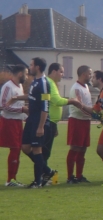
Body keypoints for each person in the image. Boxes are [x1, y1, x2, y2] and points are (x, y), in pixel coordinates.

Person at [21, 57, 56, 188]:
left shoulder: (43, 83)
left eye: (31, 65)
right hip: (31, 119)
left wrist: (41, 126)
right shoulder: (34, 81)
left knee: (36, 149)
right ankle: (47, 171)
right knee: (25, 147)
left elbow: (45, 106)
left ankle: (38, 182)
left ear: (38, 67)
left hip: (39, 121)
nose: (30, 67)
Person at [43, 63, 81, 175]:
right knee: (44, 151)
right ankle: (43, 174)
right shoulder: (49, 82)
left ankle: (43, 174)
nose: (62, 75)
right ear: (54, 71)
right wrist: (72, 101)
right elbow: (57, 101)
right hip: (47, 122)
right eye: (61, 72)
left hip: (51, 122)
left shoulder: (50, 83)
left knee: (45, 151)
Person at [0, 65, 28, 186]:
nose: (27, 77)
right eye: (26, 74)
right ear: (20, 74)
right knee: (15, 149)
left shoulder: (20, 86)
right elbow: (3, 106)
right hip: (9, 121)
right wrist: (22, 110)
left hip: (17, 122)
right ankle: (10, 180)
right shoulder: (8, 86)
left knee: (17, 150)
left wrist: (25, 116)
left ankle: (13, 178)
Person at [66, 65, 93, 183]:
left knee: (83, 149)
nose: (91, 76)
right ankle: (70, 177)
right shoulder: (76, 88)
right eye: (89, 74)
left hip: (85, 121)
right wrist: (92, 114)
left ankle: (79, 175)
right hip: (77, 120)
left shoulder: (86, 86)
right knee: (75, 147)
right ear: (83, 74)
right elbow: (79, 106)